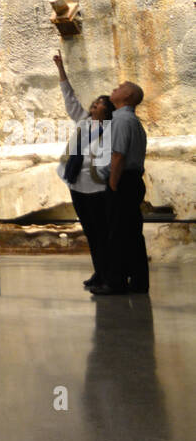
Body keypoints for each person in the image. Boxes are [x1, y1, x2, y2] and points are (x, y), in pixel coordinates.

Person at [52, 52, 114, 289]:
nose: (94, 105)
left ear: (106, 112)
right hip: (76, 183)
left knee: (102, 233)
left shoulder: (109, 130)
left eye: (98, 104)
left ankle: (109, 274)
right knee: (90, 232)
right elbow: (70, 97)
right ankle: (99, 272)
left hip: (96, 188)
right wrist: (60, 68)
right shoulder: (84, 122)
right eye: (95, 102)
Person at [91, 81, 149, 296]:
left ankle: (115, 281)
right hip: (130, 180)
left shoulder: (122, 120)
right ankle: (138, 280)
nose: (116, 87)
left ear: (128, 96)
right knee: (132, 233)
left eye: (122, 86)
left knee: (117, 233)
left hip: (122, 181)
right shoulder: (130, 120)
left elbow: (118, 155)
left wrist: (113, 183)